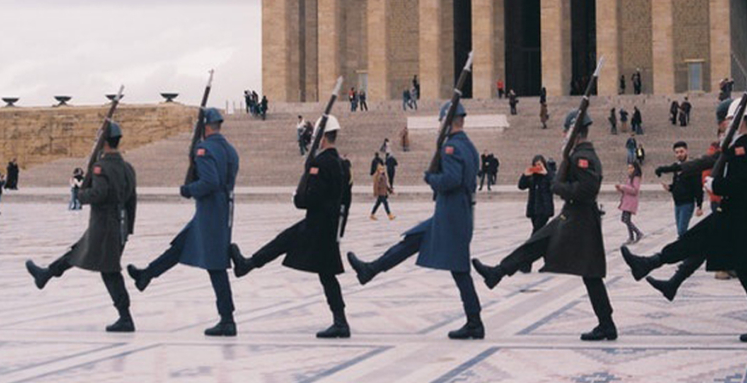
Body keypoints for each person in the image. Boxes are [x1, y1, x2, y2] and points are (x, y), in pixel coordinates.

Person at [621, 97, 747, 342]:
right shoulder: (736, 148)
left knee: (745, 266)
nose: (725, 123)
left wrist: (715, 183)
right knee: (705, 246)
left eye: (729, 119)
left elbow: (744, 185)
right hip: (734, 217)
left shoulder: (745, 151)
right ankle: (650, 263)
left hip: (738, 218)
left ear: (739, 121)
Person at [472, 110, 617, 341]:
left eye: (565, 130)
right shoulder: (578, 153)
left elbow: (588, 189)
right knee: (539, 243)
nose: (562, 134)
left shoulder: (583, 156)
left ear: (573, 132)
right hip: (574, 216)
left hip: (580, 218)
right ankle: (497, 272)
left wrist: (558, 186)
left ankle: (607, 324)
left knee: (589, 272)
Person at [347, 101, 484, 339]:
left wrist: (431, 178)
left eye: (442, 121)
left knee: (459, 268)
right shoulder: (468, 146)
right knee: (412, 240)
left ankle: (474, 322)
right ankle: (371, 269)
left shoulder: (451, 147)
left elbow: (452, 179)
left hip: (451, 214)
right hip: (454, 212)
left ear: (449, 122)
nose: (440, 125)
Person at [231, 115, 352, 338]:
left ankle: (247, 264)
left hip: (316, 225)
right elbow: (347, 199)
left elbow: (309, 199)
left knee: (286, 244)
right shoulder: (342, 164)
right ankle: (340, 321)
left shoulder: (321, 163)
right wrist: (340, 229)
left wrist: (297, 197)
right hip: (329, 225)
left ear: (322, 138)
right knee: (322, 271)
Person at [127, 108, 240, 336]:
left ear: (205, 127)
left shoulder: (204, 149)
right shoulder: (230, 150)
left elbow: (210, 182)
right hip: (221, 209)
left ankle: (227, 319)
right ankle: (146, 275)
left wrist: (188, 189)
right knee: (180, 246)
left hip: (210, 212)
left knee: (215, 265)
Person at [25, 121, 138, 332]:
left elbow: (99, 194)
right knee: (78, 252)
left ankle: (125, 317)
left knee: (110, 270)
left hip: (104, 225)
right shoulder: (127, 168)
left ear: (104, 142)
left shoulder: (101, 167)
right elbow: (132, 200)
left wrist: (81, 195)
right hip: (118, 225)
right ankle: (46, 274)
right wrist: (128, 229)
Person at [655, 141, 704, 238]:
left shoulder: (692, 166)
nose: (679, 154)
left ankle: (685, 249)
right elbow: (677, 184)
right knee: (680, 231)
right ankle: (685, 250)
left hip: (687, 203)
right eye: (677, 152)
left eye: (681, 152)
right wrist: (670, 188)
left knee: (682, 231)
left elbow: (698, 187)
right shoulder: (676, 166)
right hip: (677, 203)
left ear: (686, 151)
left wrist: (699, 205)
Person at [516, 155, 555, 272]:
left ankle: (526, 263)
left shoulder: (549, 175)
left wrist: (546, 174)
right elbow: (521, 186)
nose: (538, 167)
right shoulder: (533, 177)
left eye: (540, 164)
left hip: (544, 210)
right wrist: (525, 175)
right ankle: (549, 263)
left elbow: (555, 185)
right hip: (534, 210)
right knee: (541, 238)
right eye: (536, 165)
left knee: (535, 237)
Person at [617, 162, 644, 244]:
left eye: (631, 168)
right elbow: (628, 188)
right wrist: (620, 189)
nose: (629, 170)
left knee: (626, 219)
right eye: (628, 168)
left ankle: (636, 234)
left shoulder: (636, 178)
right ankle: (633, 235)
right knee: (624, 219)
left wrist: (623, 187)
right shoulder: (630, 177)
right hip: (626, 201)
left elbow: (635, 190)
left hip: (630, 202)